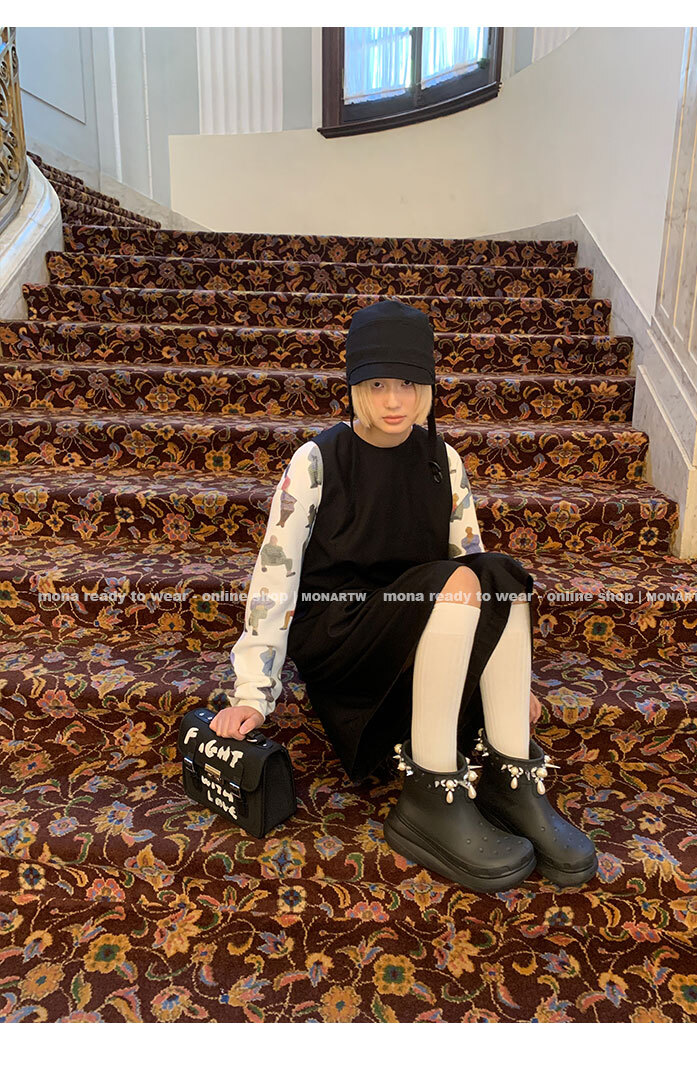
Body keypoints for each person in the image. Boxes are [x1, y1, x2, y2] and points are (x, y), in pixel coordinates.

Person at [211, 299, 597, 893]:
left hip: (419, 627)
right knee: (465, 582)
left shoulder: (443, 459)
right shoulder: (316, 461)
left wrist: (507, 687)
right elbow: (274, 577)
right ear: (354, 386)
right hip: (342, 635)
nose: (395, 401)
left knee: (503, 576)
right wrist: (253, 694)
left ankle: (510, 773)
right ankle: (430, 794)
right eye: (378, 385)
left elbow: (475, 566)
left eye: (410, 385)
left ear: (429, 387)